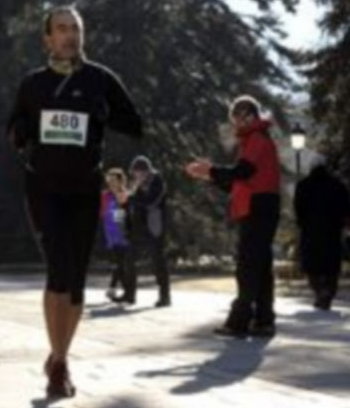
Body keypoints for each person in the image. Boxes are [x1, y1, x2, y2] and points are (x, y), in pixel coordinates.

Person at [7, 6, 142, 397]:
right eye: (62, 29)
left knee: (77, 281)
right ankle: (60, 364)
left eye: (76, 29)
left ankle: (59, 355)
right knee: (57, 272)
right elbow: (14, 125)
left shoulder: (100, 80)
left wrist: (106, 118)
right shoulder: (33, 84)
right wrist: (19, 133)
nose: (69, 35)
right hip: (44, 188)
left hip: (84, 189)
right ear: (48, 38)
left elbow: (133, 124)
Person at [186, 95, 281, 338]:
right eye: (235, 116)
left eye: (243, 114)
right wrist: (209, 175)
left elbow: (243, 172)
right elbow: (237, 182)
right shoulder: (251, 140)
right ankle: (263, 320)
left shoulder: (257, 139)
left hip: (259, 206)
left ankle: (239, 322)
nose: (238, 119)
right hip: (259, 205)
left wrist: (212, 170)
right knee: (260, 266)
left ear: (254, 115)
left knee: (248, 266)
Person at [294, 155, 350, 311]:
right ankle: (328, 293)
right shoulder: (338, 186)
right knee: (331, 266)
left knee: (312, 265)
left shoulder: (303, 185)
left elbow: (298, 209)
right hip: (333, 231)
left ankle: (319, 291)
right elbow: (346, 208)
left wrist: (302, 224)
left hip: (310, 231)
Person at [127, 156, 171, 307]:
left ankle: (165, 296)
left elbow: (151, 202)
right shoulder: (139, 185)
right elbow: (134, 203)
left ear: (145, 171)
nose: (136, 176)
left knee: (158, 259)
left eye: (138, 173)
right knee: (130, 256)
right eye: (134, 173)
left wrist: (133, 198)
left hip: (156, 224)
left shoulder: (158, 182)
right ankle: (129, 294)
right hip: (141, 225)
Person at [100, 169, 133, 304]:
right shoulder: (105, 196)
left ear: (121, 181)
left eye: (114, 180)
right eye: (109, 180)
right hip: (111, 233)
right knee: (119, 263)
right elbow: (102, 214)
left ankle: (122, 291)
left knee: (121, 263)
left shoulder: (125, 195)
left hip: (124, 234)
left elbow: (127, 215)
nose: (111, 183)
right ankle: (122, 291)